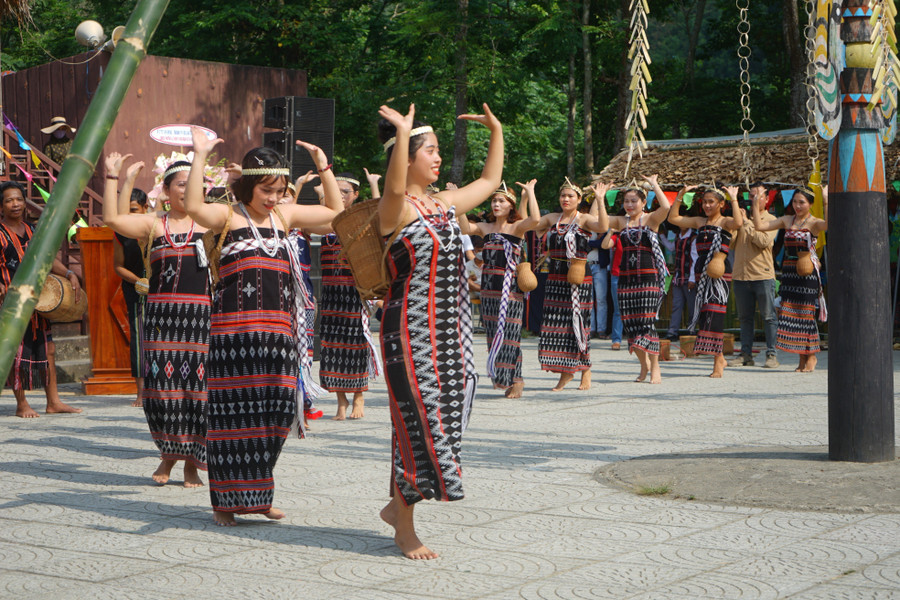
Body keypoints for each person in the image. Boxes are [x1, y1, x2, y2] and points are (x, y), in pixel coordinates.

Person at [186, 127, 340, 526]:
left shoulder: (285, 215)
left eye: (280, 189)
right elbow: (193, 207)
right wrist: (200, 154)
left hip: (279, 334)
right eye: (266, 190)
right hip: (233, 337)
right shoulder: (227, 216)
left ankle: (258, 493)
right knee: (233, 419)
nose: (273, 198)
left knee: (275, 415)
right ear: (249, 187)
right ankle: (224, 501)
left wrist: (323, 168)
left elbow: (337, 215)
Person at [375, 102, 502, 559]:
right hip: (409, 332)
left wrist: (497, 132)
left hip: (452, 332)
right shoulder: (395, 210)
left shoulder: (444, 204)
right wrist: (404, 133)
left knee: (447, 421)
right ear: (405, 157)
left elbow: (488, 183)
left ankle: (397, 505)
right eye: (428, 150)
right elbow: (392, 189)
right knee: (415, 426)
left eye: (435, 150)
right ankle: (404, 526)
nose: (437, 157)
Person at [103, 152, 209, 487]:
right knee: (163, 392)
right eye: (181, 183)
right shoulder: (154, 224)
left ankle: (191, 464)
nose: (189, 189)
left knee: (198, 393)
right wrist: (116, 177)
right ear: (165, 191)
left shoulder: (210, 223)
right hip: (163, 319)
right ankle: (168, 455)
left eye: (195, 184)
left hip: (202, 319)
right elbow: (114, 220)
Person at [0, 181, 82, 418]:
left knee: (49, 349)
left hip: (39, 300)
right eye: (9, 200)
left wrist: (68, 273)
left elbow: (47, 259)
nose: (15, 204)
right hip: (11, 303)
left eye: (18, 199)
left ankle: (53, 401)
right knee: (15, 350)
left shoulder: (34, 230)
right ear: (1, 206)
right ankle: (22, 404)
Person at [461, 179, 540, 399]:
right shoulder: (486, 228)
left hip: (511, 288)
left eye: (501, 201)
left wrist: (530, 192)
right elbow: (464, 227)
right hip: (488, 287)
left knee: (511, 335)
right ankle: (503, 377)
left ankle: (517, 379)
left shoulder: (517, 227)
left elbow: (535, 219)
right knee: (493, 333)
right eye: (494, 201)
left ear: (510, 206)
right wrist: (460, 203)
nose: (496, 204)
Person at [534, 179, 609, 391]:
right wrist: (529, 194)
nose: (566, 199)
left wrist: (601, 200)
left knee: (578, 325)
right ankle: (574, 369)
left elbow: (603, 227)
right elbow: (530, 222)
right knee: (556, 327)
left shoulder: (584, 218)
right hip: (555, 278)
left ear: (578, 199)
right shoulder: (551, 218)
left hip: (578, 279)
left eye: (570, 196)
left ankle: (577, 372)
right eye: (563, 196)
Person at [320, 171, 382, 420]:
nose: (340, 195)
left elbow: (381, 216)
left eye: (345, 191)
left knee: (356, 346)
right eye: (336, 190)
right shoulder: (324, 221)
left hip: (354, 293)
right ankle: (341, 401)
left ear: (355, 195)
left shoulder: (362, 222)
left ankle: (358, 396)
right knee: (332, 347)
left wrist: (374, 185)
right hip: (331, 294)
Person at [668, 183, 743, 377]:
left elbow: (739, 223)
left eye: (712, 202)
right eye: (705, 202)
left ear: (721, 204)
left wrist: (733, 198)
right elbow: (673, 218)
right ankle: (719, 357)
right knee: (704, 314)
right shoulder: (699, 222)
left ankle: (718, 360)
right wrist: (680, 195)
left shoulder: (726, 222)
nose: (707, 206)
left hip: (719, 273)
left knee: (714, 314)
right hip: (701, 271)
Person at [752, 185, 828, 372]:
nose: (797, 206)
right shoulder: (787, 220)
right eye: (795, 202)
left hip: (807, 273)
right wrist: (755, 204)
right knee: (790, 315)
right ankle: (801, 359)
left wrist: (826, 200)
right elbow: (760, 226)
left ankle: (810, 356)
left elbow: (829, 225)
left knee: (806, 315)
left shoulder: (814, 223)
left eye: (801, 202)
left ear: (810, 204)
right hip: (789, 271)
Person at [603, 176, 671, 384]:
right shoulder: (619, 222)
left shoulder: (650, 219)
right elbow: (600, 223)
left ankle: (655, 367)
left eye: (634, 201)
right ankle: (644, 366)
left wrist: (655, 185)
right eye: (626, 201)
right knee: (631, 325)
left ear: (643, 202)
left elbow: (666, 207)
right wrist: (599, 197)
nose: (630, 205)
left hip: (648, 277)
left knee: (647, 323)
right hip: (626, 279)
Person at [730, 181, 779, 368]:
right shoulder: (741, 219)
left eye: (758, 195)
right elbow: (732, 244)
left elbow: (763, 242)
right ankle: (745, 354)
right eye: (751, 196)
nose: (753, 199)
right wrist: (737, 223)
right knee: (744, 318)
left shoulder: (771, 219)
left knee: (768, 316)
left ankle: (772, 354)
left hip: (762, 276)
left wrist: (748, 223)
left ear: (766, 199)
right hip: (741, 276)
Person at [112, 179, 149, 407]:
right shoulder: (121, 233)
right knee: (139, 338)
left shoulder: (158, 228)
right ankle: (141, 391)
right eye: (126, 211)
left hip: (163, 289)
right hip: (135, 289)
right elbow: (118, 266)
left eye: (134, 210)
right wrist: (139, 281)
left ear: (146, 208)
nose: (130, 216)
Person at [664, 217, 697, 342]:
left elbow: (694, 258)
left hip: (689, 276)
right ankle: (673, 331)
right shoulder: (678, 237)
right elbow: (671, 247)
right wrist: (662, 237)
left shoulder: (693, 237)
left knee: (692, 305)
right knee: (676, 305)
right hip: (678, 277)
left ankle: (691, 330)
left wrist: (693, 278)